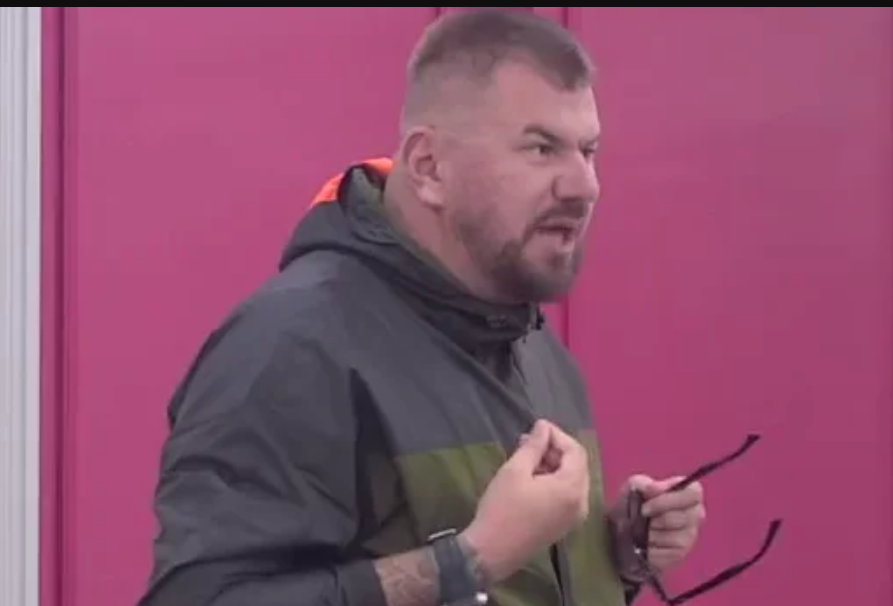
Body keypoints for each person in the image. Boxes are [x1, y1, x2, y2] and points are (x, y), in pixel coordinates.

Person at [137, 8, 706, 606]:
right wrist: (472, 559)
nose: (583, 185)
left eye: (587, 150)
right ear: (430, 168)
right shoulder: (291, 348)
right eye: (542, 148)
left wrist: (610, 559)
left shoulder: (534, 347)